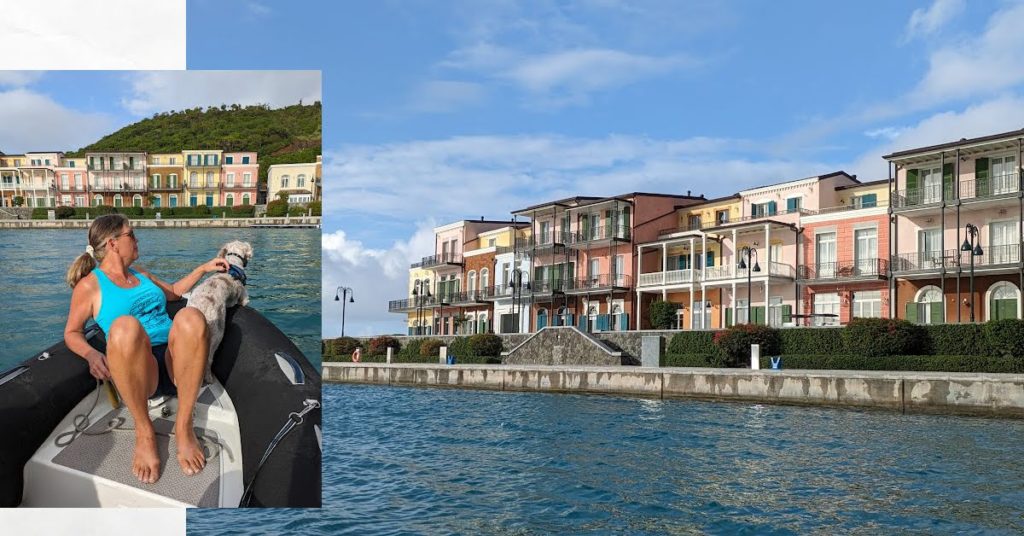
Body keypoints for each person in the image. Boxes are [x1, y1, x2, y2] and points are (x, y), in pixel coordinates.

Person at [64, 214, 229, 484]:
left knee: (191, 317)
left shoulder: (142, 275)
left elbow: (175, 291)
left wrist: (204, 268)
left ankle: (184, 426)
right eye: (131, 234)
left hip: (176, 361)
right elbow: (72, 332)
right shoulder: (90, 286)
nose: (137, 238)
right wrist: (91, 353)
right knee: (124, 327)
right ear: (113, 243)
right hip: (139, 371)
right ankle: (145, 432)